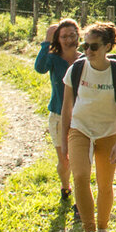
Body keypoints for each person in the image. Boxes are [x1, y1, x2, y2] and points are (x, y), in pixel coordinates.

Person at [59, 22, 116, 232]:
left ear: (107, 46)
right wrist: (63, 143)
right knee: (80, 176)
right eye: (85, 45)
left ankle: (102, 229)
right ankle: (88, 230)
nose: (87, 51)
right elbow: (66, 108)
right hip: (80, 129)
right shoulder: (77, 69)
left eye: (93, 47)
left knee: (105, 183)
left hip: (108, 132)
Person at [34, 18, 82, 205]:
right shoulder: (53, 58)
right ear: (58, 39)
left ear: (78, 35)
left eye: (72, 35)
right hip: (58, 115)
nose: (68, 39)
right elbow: (39, 68)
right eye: (63, 36)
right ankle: (65, 187)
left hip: (81, 116)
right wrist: (46, 41)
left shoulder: (84, 58)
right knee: (65, 160)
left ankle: (80, 200)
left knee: (80, 161)